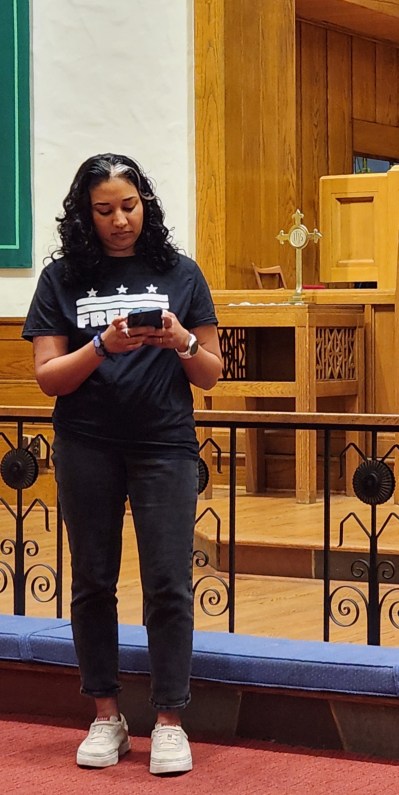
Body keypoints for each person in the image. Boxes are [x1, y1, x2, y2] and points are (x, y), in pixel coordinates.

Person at [22, 154, 222, 775]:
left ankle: (169, 721)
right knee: (93, 581)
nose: (119, 221)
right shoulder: (61, 278)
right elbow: (49, 377)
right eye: (104, 210)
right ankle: (106, 716)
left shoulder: (180, 272)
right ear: (85, 215)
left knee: (168, 582)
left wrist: (180, 340)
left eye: (129, 206)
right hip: (87, 445)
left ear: (146, 205)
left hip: (164, 444)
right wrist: (102, 345)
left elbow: (211, 373)